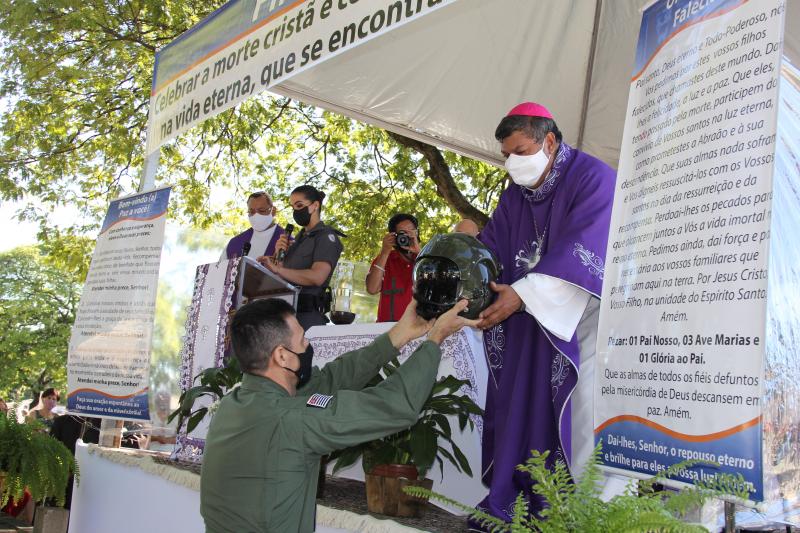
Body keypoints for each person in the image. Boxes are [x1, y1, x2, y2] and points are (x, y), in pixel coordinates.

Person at [200, 297, 476, 533]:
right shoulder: (291, 419)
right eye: (302, 339)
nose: (308, 346)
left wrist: (399, 334)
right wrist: (435, 338)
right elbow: (393, 405)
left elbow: (331, 380)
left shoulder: (234, 403)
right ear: (282, 357)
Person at [474, 102, 615, 522]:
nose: (512, 164)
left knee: (582, 413)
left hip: (582, 324)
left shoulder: (594, 177)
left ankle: (582, 517)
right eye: (506, 156)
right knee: (519, 405)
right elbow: (491, 248)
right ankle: (524, 504)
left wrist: (520, 295)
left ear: (549, 141)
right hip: (528, 329)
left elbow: (585, 248)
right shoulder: (514, 195)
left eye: (519, 152)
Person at [260, 185, 342, 330]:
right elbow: (283, 277)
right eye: (293, 207)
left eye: (299, 205)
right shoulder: (297, 240)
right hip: (284, 317)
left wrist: (279, 270)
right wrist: (277, 255)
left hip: (307, 320)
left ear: (315, 205)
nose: (296, 211)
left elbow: (317, 277)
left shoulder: (326, 237)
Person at [365, 213, 422, 322]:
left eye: (411, 232)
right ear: (393, 236)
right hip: (386, 330)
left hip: (418, 329)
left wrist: (419, 253)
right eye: (402, 233)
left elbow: (438, 285)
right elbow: (372, 289)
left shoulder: (426, 259)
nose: (407, 236)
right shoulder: (385, 258)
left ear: (417, 233)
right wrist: (385, 251)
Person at [222, 191, 285, 260]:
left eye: (261, 211)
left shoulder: (286, 241)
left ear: (273, 211)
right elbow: (221, 268)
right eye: (252, 211)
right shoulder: (235, 243)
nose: (256, 215)